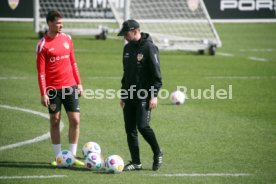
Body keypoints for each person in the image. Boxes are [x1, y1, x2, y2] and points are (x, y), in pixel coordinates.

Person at [36, 10, 84, 166]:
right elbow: (41, 72)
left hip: (70, 86)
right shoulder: (42, 45)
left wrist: (79, 83)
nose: (61, 25)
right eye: (58, 23)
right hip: (53, 89)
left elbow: (73, 62)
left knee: (75, 120)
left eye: (62, 23)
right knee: (55, 120)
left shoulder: (67, 39)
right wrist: (43, 93)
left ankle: (72, 156)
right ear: (49, 23)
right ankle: (58, 157)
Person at [117, 20, 163, 171]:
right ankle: (136, 162)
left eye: (126, 33)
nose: (124, 36)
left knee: (142, 126)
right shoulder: (127, 48)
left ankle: (157, 152)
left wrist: (154, 95)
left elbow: (157, 75)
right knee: (130, 129)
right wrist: (123, 94)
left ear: (135, 31)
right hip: (129, 95)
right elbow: (125, 74)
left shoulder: (149, 48)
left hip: (144, 95)